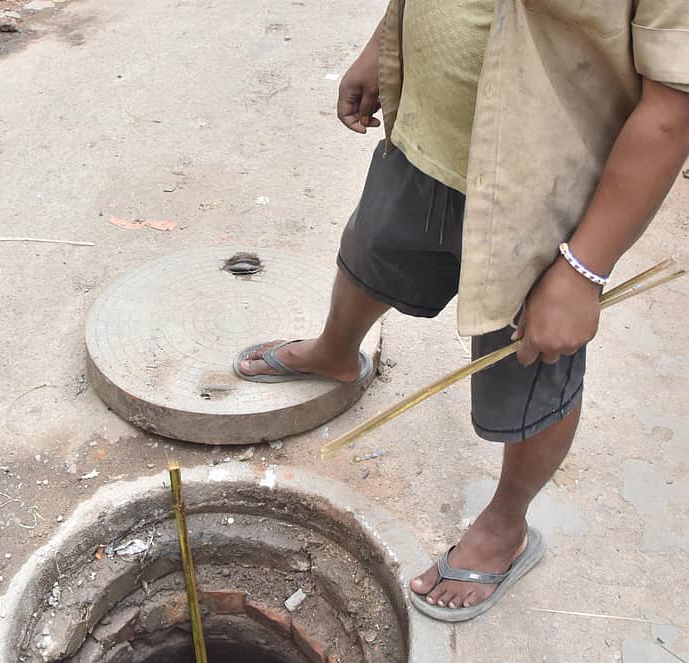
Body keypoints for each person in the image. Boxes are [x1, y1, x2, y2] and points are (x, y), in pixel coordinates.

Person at [235, 1, 689, 622]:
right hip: (427, 137)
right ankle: (336, 354)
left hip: (539, 192)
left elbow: (672, 110)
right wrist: (383, 44)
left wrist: (583, 270)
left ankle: (506, 525)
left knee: (530, 366)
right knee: (373, 248)